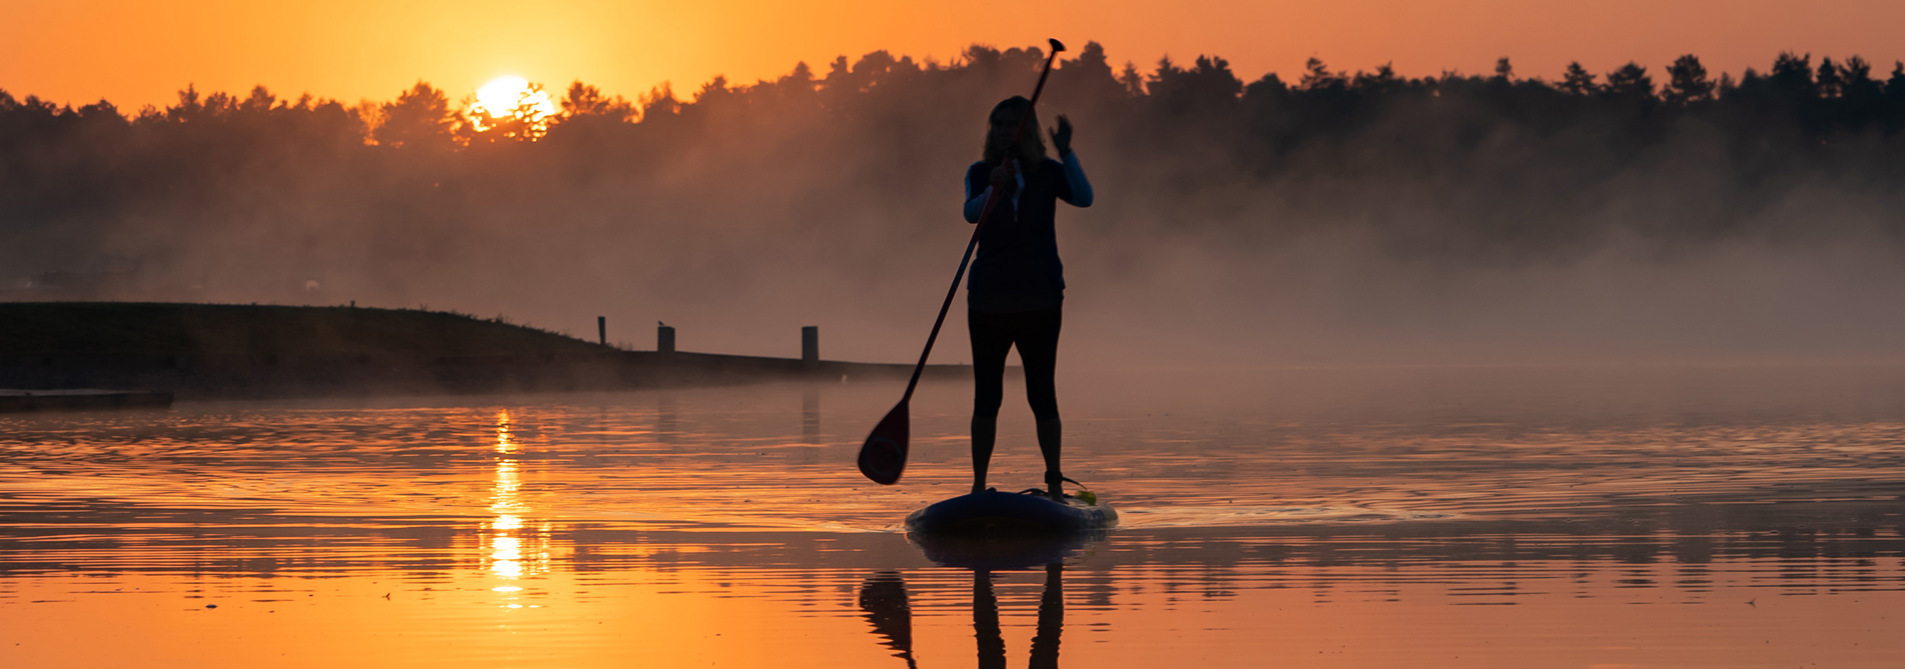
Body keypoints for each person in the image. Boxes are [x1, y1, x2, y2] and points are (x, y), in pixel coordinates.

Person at [962, 96, 1093, 499]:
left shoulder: (1050, 172)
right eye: (998, 124)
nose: (1005, 131)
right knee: (988, 395)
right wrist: (993, 191)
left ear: (1028, 130)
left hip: (1040, 298)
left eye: (1013, 125)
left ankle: (1054, 481)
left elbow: (1084, 197)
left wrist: (1067, 151)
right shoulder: (981, 172)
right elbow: (970, 213)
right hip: (988, 300)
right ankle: (979, 487)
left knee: (1041, 391)